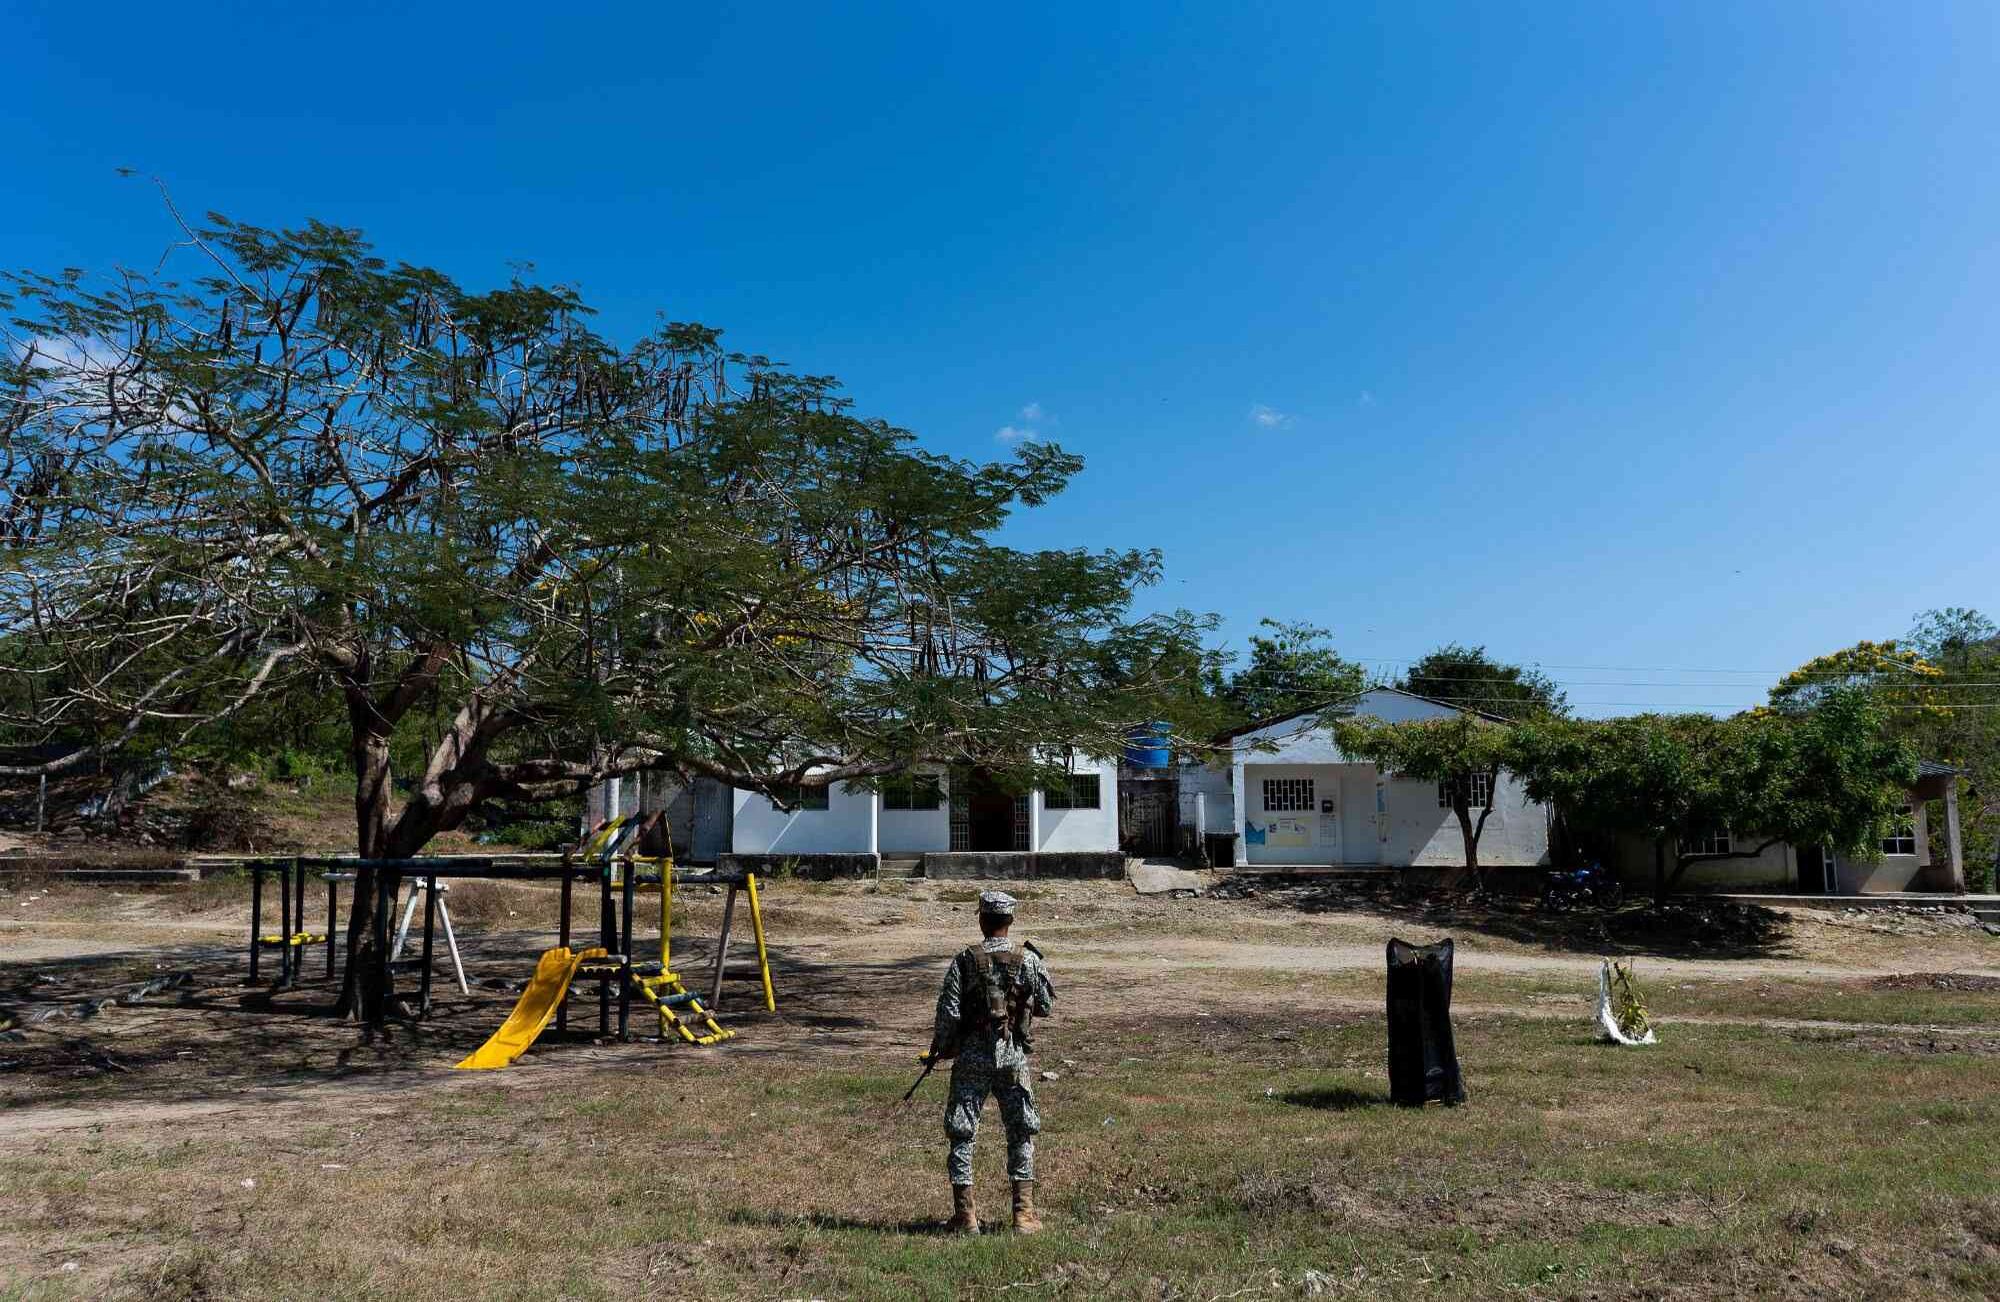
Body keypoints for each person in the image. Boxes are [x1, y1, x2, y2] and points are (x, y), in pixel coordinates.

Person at [926, 889, 1056, 1235]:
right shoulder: (1028, 960)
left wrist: (941, 1048)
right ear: (1010, 921)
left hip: (972, 1057)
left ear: (982, 920)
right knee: (1021, 1130)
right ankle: (1023, 1215)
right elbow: (1046, 1005)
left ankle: (965, 1216)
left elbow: (948, 1013)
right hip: (1012, 1057)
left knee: (962, 1131)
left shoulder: (965, 961)